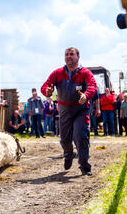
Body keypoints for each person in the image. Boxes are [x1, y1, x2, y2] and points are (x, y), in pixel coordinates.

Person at [41, 47, 97, 176]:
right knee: (64, 140)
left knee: (80, 136)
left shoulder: (85, 72)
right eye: (66, 54)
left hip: (81, 110)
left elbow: (93, 86)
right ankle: (68, 154)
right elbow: (45, 86)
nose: (68, 57)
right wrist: (47, 92)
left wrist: (86, 95)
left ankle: (84, 167)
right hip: (64, 110)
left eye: (72, 54)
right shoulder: (57, 73)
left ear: (78, 57)